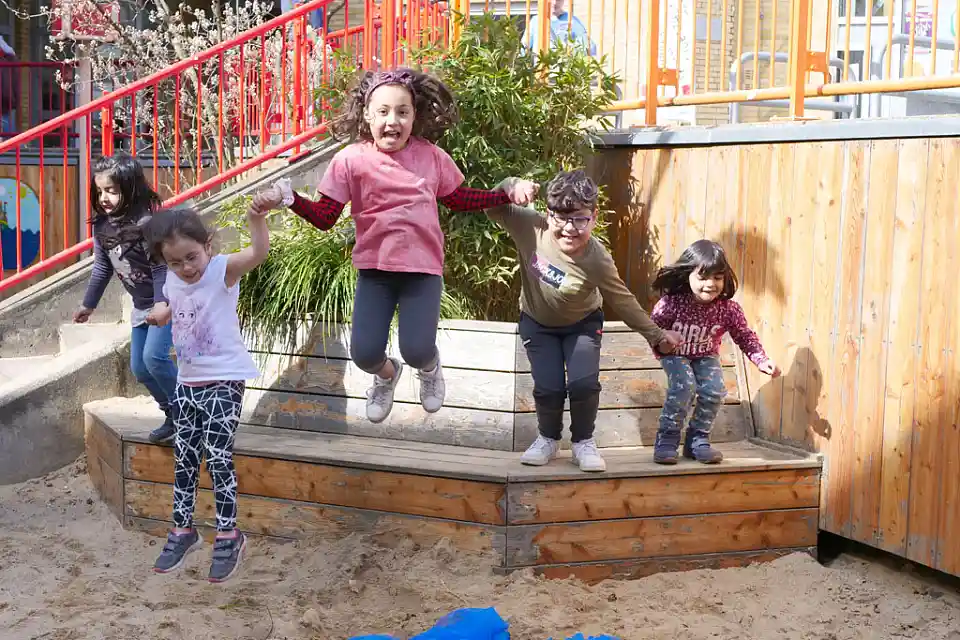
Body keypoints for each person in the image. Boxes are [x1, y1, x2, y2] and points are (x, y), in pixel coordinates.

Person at [251, 67, 537, 424]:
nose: (393, 120)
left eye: (402, 111)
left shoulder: (430, 156)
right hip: (375, 271)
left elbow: (459, 198)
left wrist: (503, 193)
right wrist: (290, 198)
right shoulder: (350, 160)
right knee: (364, 354)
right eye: (383, 111)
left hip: (421, 271)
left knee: (417, 350)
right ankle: (386, 375)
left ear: (414, 116)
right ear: (367, 115)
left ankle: (429, 370)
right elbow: (326, 217)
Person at [489, 170, 682, 472]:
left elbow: (622, 299)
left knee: (582, 384)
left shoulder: (597, 259)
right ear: (548, 214)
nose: (569, 228)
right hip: (537, 323)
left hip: (582, 325)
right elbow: (492, 206)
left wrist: (656, 335)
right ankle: (548, 439)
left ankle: (583, 442)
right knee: (549, 387)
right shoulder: (531, 226)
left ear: (593, 216)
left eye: (579, 219)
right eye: (560, 218)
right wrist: (509, 185)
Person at [141, 204, 270, 582]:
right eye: (176, 261)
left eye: (192, 257)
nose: (186, 268)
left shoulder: (220, 270)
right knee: (184, 459)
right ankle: (183, 529)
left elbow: (258, 253)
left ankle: (229, 534)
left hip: (224, 380)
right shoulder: (172, 278)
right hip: (188, 384)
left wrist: (256, 220)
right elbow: (173, 299)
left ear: (207, 246)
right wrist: (162, 312)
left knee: (217, 457)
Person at [74, 153, 179, 444]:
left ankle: (189, 412)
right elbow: (102, 267)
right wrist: (88, 304)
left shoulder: (147, 224)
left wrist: (162, 303)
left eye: (112, 190)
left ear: (130, 190)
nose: (104, 197)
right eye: (100, 191)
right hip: (142, 307)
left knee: (154, 358)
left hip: (165, 301)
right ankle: (173, 413)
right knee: (140, 369)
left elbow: (160, 268)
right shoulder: (102, 227)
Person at [650, 239, 781, 465]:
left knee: (715, 390)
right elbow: (652, 329)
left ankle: (697, 440)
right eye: (702, 277)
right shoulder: (671, 304)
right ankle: (667, 439)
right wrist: (663, 340)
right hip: (674, 353)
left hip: (705, 355)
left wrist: (761, 360)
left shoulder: (728, 309)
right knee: (684, 386)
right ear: (687, 275)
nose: (710, 284)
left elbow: (744, 335)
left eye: (717, 278)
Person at [522, 0, 597, 57]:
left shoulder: (572, 21)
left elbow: (591, 48)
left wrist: (570, 51)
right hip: (541, 71)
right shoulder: (536, 21)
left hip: (564, 73)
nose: (554, 3)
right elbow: (523, 47)